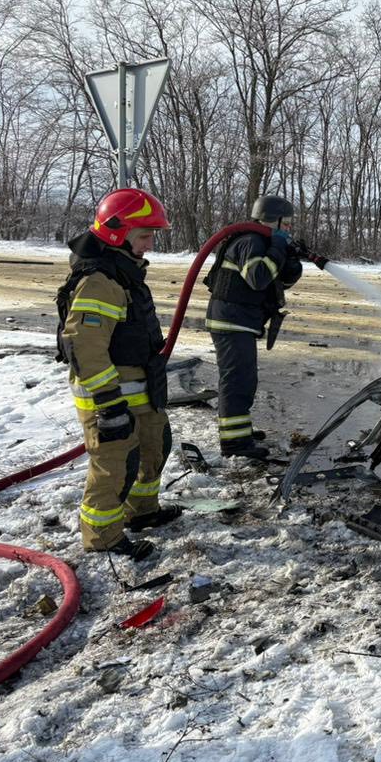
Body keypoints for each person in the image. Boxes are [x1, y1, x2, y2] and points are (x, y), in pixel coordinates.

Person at [57, 188, 180, 560]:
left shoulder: (123, 273)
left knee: (154, 447)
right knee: (114, 464)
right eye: (145, 235)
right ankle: (103, 536)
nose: (151, 243)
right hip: (110, 394)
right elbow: (85, 345)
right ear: (118, 232)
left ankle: (142, 512)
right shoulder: (100, 281)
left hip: (139, 387)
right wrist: (108, 404)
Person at [203, 195, 303, 460]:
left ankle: (240, 431)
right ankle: (234, 444)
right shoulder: (250, 241)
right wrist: (278, 249)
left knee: (245, 380)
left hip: (240, 320)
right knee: (237, 381)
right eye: (287, 224)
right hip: (231, 321)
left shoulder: (265, 242)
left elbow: (276, 279)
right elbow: (258, 279)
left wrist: (290, 259)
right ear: (275, 220)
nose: (289, 229)